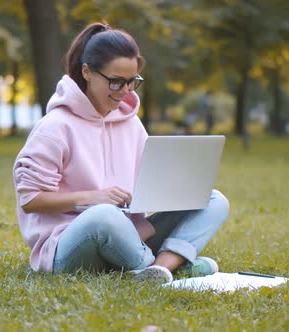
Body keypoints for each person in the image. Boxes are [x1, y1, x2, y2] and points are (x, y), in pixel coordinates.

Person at [12, 22, 229, 283]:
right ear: (87, 72)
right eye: (116, 82)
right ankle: (164, 268)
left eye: (131, 82)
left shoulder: (130, 123)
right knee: (103, 215)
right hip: (69, 245)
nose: (125, 92)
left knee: (214, 200)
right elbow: (31, 199)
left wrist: (173, 189)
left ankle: (159, 269)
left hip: (130, 233)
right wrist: (94, 198)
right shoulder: (55, 127)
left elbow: (148, 180)